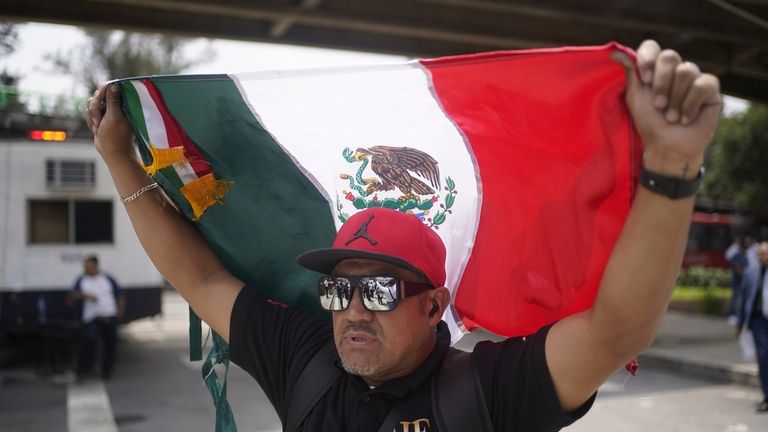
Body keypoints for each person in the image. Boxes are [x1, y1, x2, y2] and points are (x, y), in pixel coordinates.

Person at [84, 40, 721, 430]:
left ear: (433, 306)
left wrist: (671, 165)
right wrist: (119, 157)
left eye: (381, 290)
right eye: (338, 291)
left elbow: (617, 331)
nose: (353, 311)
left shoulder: (489, 391)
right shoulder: (304, 360)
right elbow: (198, 276)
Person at [67, 255, 124, 380]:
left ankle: (106, 372)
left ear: (96, 266)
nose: (86, 269)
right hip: (91, 317)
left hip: (109, 315)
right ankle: (85, 368)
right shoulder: (82, 280)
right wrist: (85, 295)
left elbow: (119, 295)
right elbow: (72, 296)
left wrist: (119, 313)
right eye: (85, 267)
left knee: (110, 345)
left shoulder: (107, 279)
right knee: (90, 340)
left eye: (89, 267)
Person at [736, 242, 768, 413]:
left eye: (764, 254)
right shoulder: (751, 273)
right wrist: (739, 323)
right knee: (763, 358)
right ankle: (767, 396)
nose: (760, 257)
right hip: (758, 321)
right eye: (759, 254)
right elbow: (743, 300)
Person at [727, 237, 751, 324]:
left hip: (746, 284)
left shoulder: (748, 256)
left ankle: (741, 316)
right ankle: (733, 316)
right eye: (744, 246)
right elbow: (738, 269)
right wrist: (746, 273)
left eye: (747, 246)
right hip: (738, 283)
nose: (745, 248)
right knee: (736, 300)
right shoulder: (737, 256)